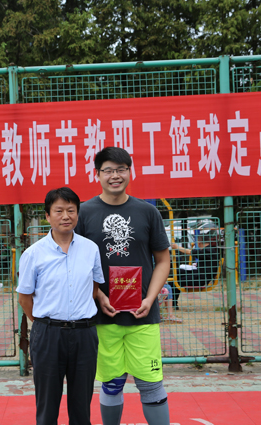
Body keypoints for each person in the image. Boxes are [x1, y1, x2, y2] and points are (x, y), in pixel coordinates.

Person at [75, 147, 171, 425]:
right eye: (108, 170)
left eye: (121, 169)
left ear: (130, 172)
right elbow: (77, 265)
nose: (115, 176)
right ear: (97, 174)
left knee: (151, 383)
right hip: (102, 316)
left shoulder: (147, 212)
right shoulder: (84, 213)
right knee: (112, 383)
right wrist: (98, 294)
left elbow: (163, 260)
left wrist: (150, 298)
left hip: (143, 315)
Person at [17, 187, 105, 425]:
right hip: (48, 335)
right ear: (48, 216)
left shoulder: (90, 249)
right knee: (47, 405)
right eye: (59, 211)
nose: (66, 216)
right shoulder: (33, 254)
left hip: (84, 334)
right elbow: (24, 298)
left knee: (81, 405)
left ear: (77, 213)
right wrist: (45, 322)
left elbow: (94, 287)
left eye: (71, 210)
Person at [169, 224, 220, 309]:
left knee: (175, 281)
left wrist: (177, 247)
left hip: (201, 279)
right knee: (177, 272)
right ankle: (171, 302)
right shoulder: (210, 249)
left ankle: (172, 303)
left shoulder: (207, 251)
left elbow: (190, 252)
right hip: (199, 275)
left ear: (199, 243)